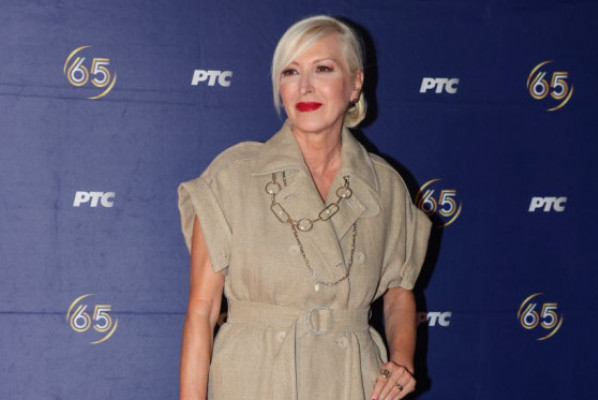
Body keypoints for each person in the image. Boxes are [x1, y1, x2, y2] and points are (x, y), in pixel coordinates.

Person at [178, 15, 431, 400]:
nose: (305, 86)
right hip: (252, 377)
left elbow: (399, 290)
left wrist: (401, 360)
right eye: (291, 72)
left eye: (323, 69)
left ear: (355, 84)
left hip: (353, 379)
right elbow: (202, 311)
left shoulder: (386, 186)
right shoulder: (232, 176)